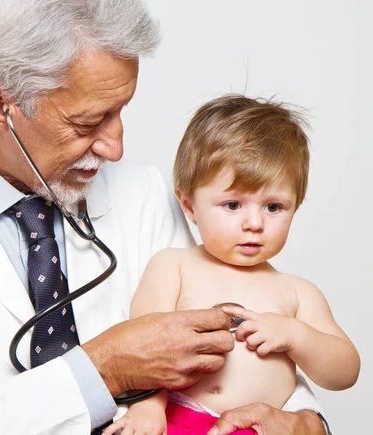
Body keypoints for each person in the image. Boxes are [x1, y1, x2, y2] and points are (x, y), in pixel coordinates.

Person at [0, 1, 331, 434]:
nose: (116, 146)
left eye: (122, 109)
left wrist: (308, 424)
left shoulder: (145, 194)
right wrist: (99, 371)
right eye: (88, 121)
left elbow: (243, 352)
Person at [104, 95, 360, 435]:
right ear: (190, 206)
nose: (254, 222)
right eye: (233, 204)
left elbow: (345, 371)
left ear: (295, 206)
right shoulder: (174, 267)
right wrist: (148, 408)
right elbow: (143, 348)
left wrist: (296, 336)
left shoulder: (297, 293)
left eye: (273, 207)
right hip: (180, 421)